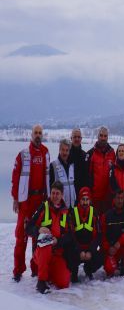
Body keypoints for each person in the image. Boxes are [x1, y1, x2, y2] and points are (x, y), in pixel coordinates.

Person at [12, 124, 50, 282]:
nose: (38, 135)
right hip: (25, 201)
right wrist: (15, 198)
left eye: (40, 133)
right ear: (31, 134)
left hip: (40, 200)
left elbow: (49, 177)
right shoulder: (23, 154)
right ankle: (18, 270)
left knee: (38, 236)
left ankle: (36, 268)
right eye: (36, 133)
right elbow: (15, 177)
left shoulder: (46, 152)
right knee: (21, 237)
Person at [27, 181, 71, 293]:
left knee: (64, 283)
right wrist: (38, 230)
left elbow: (70, 236)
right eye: (53, 193)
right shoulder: (43, 207)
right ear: (50, 194)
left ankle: (46, 271)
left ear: (62, 195)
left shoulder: (66, 212)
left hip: (57, 254)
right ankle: (41, 281)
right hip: (42, 252)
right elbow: (28, 227)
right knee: (45, 238)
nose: (55, 196)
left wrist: (58, 241)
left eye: (57, 193)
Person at [67, 187, 103, 282]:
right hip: (77, 249)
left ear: (90, 200)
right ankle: (74, 271)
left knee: (101, 257)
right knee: (67, 253)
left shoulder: (94, 213)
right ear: (79, 200)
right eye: (83, 199)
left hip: (89, 249)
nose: (85, 202)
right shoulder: (72, 213)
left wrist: (91, 251)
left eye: (87, 199)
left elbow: (99, 235)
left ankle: (88, 269)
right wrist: (79, 251)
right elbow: (70, 236)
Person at [101, 191, 124, 278]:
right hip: (111, 249)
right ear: (114, 199)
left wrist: (120, 242)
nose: (120, 201)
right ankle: (114, 263)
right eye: (118, 198)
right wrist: (108, 247)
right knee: (109, 269)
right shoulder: (106, 216)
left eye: (121, 198)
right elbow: (102, 235)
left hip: (121, 247)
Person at [87, 126, 116, 215]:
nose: (103, 138)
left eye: (105, 136)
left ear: (108, 137)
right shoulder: (91, 153)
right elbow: (88, 176)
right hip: (95, 197)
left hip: (108, 198)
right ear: (97, 136)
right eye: (101, 135)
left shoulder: (112, 153)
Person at [49, 139, 77, 207]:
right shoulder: (53, 165)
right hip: (59, 206)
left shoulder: (72, 165)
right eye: (63, 150)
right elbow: (50, 186)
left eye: (67, 150)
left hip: (72, 205)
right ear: (59, 150)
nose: (65, 153)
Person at [70, 128, 89, 198]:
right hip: (69, 192)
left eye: (78, 137)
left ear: (81, 139)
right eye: (75, 137)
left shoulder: (85, 156)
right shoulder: (66, 155)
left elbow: (87, 176)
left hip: (81, 193)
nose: (77, 139)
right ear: (71, 138)